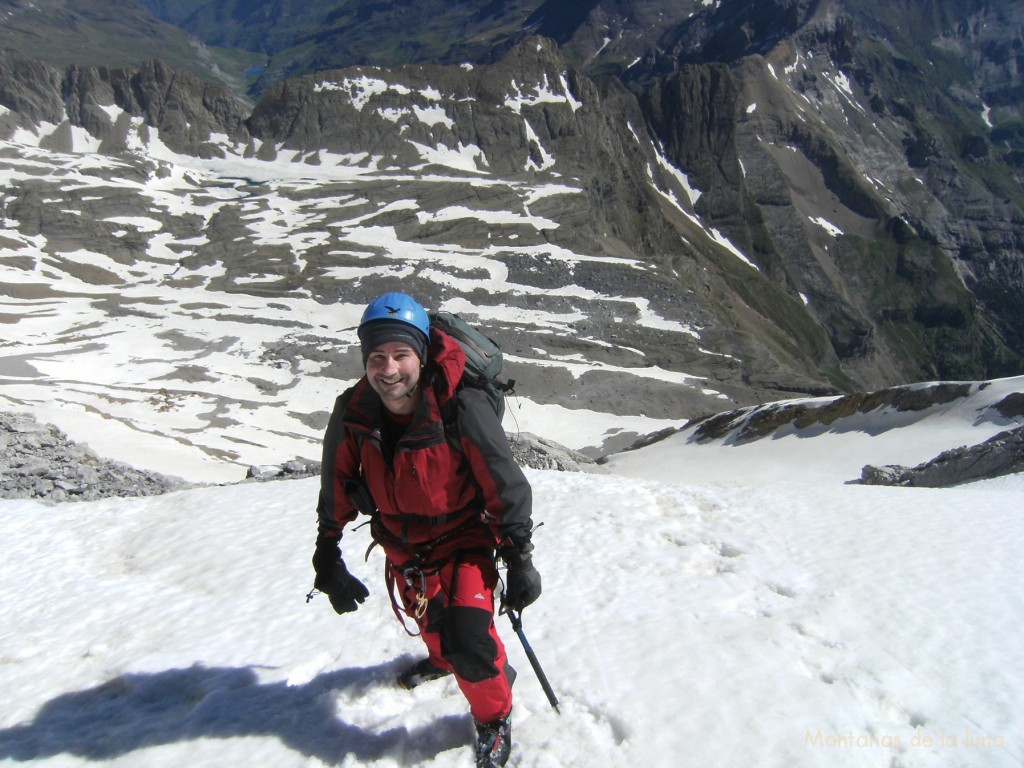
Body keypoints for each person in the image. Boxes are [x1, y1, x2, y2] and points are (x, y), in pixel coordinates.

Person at [311, 292, 542, 768]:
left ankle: (493, 716)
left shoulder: (460, 404)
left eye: (401, 355)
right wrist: (327, 554)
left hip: (463, 540)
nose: (389, 369)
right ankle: (445, 659)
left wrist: (520, 557)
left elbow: (502, 480)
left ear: (420, 355)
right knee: (433, 624)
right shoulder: (354, 411)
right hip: (403, 547)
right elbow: (336, 483)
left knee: (471, 639)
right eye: (377, 357)